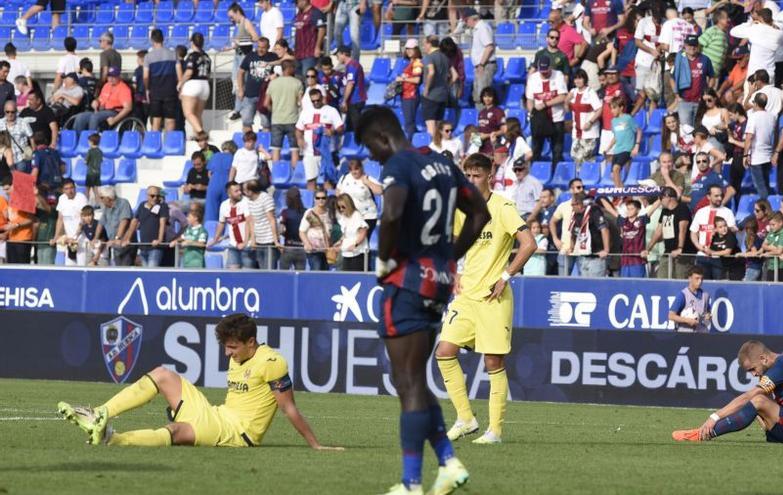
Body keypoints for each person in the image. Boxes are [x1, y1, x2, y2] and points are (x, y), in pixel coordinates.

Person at [355, 106, 490, 495]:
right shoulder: (445, 167)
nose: (373, 156)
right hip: (439, 281)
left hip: (408, 282)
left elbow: (393, 212)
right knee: (410, 378)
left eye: (370, 146)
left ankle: (411, 484)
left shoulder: (399, 164)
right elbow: (479, 214)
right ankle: (447, 461)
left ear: (382, 137)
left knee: (409, 381)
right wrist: (449, 256)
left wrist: (385, 260)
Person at [59, 314, 339, 449]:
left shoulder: (271, 362)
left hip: (239, 434)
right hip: (218, 414)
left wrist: (315, 444)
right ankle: (100, 413)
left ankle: (112, 439)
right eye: (226, 347)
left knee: (177, 429)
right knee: (163, 374)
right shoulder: (238, 355)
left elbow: (288, 408)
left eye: (232, 347)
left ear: (251, 342)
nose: (227, 353)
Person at [435, 152, 536, 446]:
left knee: (493, 362)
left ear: (489, 176)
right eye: (467, 175)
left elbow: (529, 244)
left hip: (493, 297)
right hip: (467, 295)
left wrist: (505, 276)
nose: (470, 180)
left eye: (476, 175)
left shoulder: (503, 207)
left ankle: (495, 431)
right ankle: (466, 419)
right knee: (444, 351)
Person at [673, 340, 783, 444]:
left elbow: (749, 396)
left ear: (763, 358)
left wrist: (714, 417)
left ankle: (703, 433)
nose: (753, 374)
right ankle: (702, 433)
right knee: (758, 401)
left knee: (757, 399)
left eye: (752, 369)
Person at [296, 89, 344, 191]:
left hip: (327, 153)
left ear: (322, 98)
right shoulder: (305, 112)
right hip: (309, 152)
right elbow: (298, 129)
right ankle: (311, 204)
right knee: (311, 180)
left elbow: (341, 128)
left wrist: (333, 131)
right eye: (313, 101)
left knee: (328, 180)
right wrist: (299, 139)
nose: (316, 103)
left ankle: (330, 204)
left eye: (318, 100)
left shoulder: (331, 110)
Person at [644, 187, 694, 279]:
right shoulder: (665, 211)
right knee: (661, 277)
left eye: (660, 198)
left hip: (683, 253)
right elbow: (658, 232)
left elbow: (682, 229)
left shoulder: (682, 208)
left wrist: (680, 248)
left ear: (668, 197)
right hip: (668, 251)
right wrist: (648, 249)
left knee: (680, 278)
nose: (660, 201)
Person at [601, 197, 659, 278]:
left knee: (638, 285)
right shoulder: (623, 221)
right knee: (625, 285)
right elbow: (610, 210)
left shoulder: (641, 220)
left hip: (638, 260)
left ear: (638, 210)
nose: (629, 211)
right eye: (628, 209)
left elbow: (653, 208)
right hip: (625, 261)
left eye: (632, 209)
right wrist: (601, 197)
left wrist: (660, 198)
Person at [526, 56, 567, 166]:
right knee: (536, 149)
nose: (544, 74)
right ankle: (536, 173)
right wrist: (533, 114)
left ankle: (557, 175)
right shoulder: (533, 78)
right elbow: (529, 100)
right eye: (541, 71)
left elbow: (562, 96)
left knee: (557, 150)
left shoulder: (558, 75)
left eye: (546, 71)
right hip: (540, 120)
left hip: (556, 118)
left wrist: (545, 104)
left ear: (550, 67)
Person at [690, 184, 736, 279]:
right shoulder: (701, 212)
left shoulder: (727, 212)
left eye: (721, 195)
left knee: (718, 285)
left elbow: (732, 233)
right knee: (702, 285)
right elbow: (693, 232)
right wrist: (698, 246)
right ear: (708, 196)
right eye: (716, 196)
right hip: (702, 256)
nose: (719, 198)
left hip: (719, 257)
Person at [265, 59, 304, 169]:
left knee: (276, 149)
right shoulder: (297, 83)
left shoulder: (273, 83)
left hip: (277, 120)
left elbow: (266, 103)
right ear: (289, 68)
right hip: (293, 120)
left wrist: (274, 110)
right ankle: (295, 174)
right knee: (294, 150)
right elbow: (301, 103)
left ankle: (277, 174)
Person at [209, 181, 255, 270]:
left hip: (247, 245)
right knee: (232, 272)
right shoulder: (224, 205)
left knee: (247, 273)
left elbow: (250, 222)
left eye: (240, 190)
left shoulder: (246, 202)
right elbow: (221, 223)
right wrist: (215, 239)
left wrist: (245, 243)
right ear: (229, 194)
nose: (240, 192)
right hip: (233, 245)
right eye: (236, 191)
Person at [71, 67, 132, 132]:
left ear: (118, 77)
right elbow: (100, 99)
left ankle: (93, 140)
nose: (110, 79)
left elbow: (128, 108)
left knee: (95, 117)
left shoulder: (124, 89)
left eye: (113, 77)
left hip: (114, 112)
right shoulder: (106, 86)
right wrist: (96, 101)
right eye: (109, 76)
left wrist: (115, 119)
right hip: (101, 111)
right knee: (81, 117)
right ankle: (78, 139)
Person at [238, 38, 278, 133]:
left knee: (266, 123)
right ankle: (249, 144)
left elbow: (283, 65)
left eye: (263, 48)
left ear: (268, 47)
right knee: (246, 122)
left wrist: (274, 76)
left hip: (265, 96)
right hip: (249, 95)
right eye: (259, 47)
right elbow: (240, 72)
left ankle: (265, 144)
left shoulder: (273, 57)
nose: (260, 49)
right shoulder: (250, 56)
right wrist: (240, 89)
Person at [226, 3, 259, 121]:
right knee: (236, 81)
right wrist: (230, 47)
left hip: (244, 56)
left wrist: (244, 41)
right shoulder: (238, 24)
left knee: (240, 82)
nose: (231, 19)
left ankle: (239, 108)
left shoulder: (246, 22)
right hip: (238, 55)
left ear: (237, 12)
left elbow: (255, 37)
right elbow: (238, 42)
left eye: (232, 16)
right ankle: (238, 108)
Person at [143, 30, 180, 133]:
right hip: (170, 90)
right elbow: (179, 74)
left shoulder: (148, 57)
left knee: (156, 120)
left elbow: (146, 77)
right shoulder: (173, 54)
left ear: (152, 40)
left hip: (155, 91)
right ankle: (169, 144)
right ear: (163, 39)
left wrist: (147, 89)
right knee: (170, 119)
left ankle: (155, 144)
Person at [674, 35, 715, 129]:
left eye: (694, 45)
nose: (692, 47)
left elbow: (712, 77)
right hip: (684, 101)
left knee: (699, 129)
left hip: (700, 101)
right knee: (685, 130)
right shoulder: (679, 59)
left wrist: (707, 93)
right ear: (685, 46)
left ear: (698, 46)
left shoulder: (705, 59)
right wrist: (676, 95)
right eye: (689, 45)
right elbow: (672, 78)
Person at [123, 186, 169, 268]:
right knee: (145, 274)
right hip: (143, 247)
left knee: (151, 273)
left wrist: (160, 240)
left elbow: (163, 223)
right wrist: (128, 239)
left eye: (157, 196)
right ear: (147, 196)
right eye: (152, 196)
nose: (155, 198)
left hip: (155, 247)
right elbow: (134, 222)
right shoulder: (141, 205)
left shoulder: (163, 206)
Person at [336, 158, 382, 237]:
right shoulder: (344, 178)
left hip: (367, 216)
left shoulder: (367, 178)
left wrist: (368, 183)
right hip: (349, 216)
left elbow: (380, 191)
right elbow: (338, 193)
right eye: (351, 169)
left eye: (356, 169)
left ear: (361, 168)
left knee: (361, 241)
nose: (354, 172)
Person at [178, 33, 212, 136]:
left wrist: (181, 83)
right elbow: (209, 74)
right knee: (197, 115)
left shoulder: (192, 56)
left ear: (192, 42)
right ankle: (198, 137)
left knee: (188, 113)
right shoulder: (207, 57)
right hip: (205, 84)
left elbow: (189, 73)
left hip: (193, 84)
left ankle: (201, 133)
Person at [243, 179, 281, 270]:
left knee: (270, 270)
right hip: (259, 241)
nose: (243, 192)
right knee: (262, 269)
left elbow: (272, 220)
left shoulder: (266, 198)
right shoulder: (249, 201)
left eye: (244, 190)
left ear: (250, 191)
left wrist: (275, 241)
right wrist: (253, 240)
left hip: (269, 241)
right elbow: (252, 221)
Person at [567, 69, 602, 169]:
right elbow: (567, 109)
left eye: (580, 78)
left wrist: (590, 122)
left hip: (589, 133)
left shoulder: (590, 92)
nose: (578, 81)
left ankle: (588, 180)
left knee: (587, 158)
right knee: (575, 157)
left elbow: (599, 109)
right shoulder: (572, 92)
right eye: (576, 78)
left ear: (585, 79)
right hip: (576, 132)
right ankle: (578, 179)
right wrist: (567, 100)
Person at [743, 93, 774, 199]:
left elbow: (749, 137)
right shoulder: (772, 116)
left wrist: (745, 155)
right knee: (766, 184)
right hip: (768, 155)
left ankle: (767, 209)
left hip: (757, 156)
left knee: (760, 186)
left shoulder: (753, 117)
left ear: (755, 103)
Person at [605, 96, 641, 189]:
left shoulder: (627, 118)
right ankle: (621, 190)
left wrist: (636, 146)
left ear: (621, 108)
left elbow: (639, 131)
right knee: (613, 175)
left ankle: (620, 192)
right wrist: (608, 148)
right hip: (617, 150)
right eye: (611, 108)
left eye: (614, 108)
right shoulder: (613, 121)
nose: (612, 111)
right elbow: (616, 137)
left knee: (616, 168)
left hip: (627, 149)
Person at [464, 8, 496, 110]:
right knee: (478, 95)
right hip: (481, 65)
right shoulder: (478, 29)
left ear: (471, 19)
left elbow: (489, 47)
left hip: (485, 65)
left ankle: (486, 119)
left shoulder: (482, 28)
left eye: (466, 20)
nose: (466, 23)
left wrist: (481, 64)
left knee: (484, 95)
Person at [94, 186, 135, 266]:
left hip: (125, 244)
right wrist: (96, 238)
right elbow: (101, 223)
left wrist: (117, 238)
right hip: (115, 246)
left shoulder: (123, 203)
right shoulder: (106, 208)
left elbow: (124, 221)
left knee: (125, 270)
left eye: (102, 198)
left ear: (109, 198)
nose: (100, 200)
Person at [51, 178, 87, 265]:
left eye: (71, 188)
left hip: (80, 239)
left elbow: (84, 219)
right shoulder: (62, 199)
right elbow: (60, 219)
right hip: (68, 240)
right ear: (63, 190)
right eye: (66, 189)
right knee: (70, 266)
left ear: (75, 188)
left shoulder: (81, 198)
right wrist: (56, 237)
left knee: (82, 265)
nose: (69, 191)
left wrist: (75, 237)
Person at [667, 265, 712, 332]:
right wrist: (687, 320)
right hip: (685, 333)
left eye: (701, 279)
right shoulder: (683, 295)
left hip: (701, 334)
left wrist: (708, 316)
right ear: (690, 278)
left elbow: (707, 313)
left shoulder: (705, 295)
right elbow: (671, 316)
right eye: (697, 278)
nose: (700, 281)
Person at [421, 36, 450, 138]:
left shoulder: (428, 57)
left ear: (429, 44)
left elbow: (431, 72)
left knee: (431, 126)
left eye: (424, 44)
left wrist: (427, 88)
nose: (423, 46)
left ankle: (433, 149)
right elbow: (454, 76)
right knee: (439, 125)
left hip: (431, 95)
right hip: (443, 94)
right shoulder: (445, 57)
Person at [332, 193, 370, 272]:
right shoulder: (344, 217)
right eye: (339, 208)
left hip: (357, 253)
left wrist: (355, 245)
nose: (341, 209)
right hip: (346, 252)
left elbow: (363, 232)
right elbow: (346, 233)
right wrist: (340, 242)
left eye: (343, 207)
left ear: (348, 205)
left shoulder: (356, 215)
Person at [298, 187, 333, 271]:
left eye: (323, 198)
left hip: (326, 250)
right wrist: (307, 244)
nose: (320, 200)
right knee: (316, 271)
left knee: (325, 274)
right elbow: (302, 231)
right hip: (314, 250)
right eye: (318, 198)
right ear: (314, 199)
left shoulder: (330, 213)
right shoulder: (310, 213)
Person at [168, 202, 207, 268]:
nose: (187, 219)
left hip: (197, 263)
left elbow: (202, 244)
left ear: (195, 218)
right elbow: (182, 237)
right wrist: (175, 241)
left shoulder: (202, 230)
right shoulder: (188, 229)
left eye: (189, 217)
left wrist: (189, 242)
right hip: (187, 262)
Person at [398, 39, 423, 140]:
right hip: (406, 95)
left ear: (416, 50)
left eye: (411, 49)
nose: (408, 51)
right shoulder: (409, 62)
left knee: (409, 122)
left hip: (411, 95)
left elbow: (417, 79)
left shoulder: (417, 63)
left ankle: (411, 143)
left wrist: (403, 78)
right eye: (407, 49)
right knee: (409, 122)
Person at [758, 212, 783, 282]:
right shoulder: (771, 232)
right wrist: (773, 247)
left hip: (782, 267)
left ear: (780, 223)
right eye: (770, 225)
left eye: (773, 225)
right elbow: (763, 245)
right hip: (771, 266)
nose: (771, 227)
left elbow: (779, 251)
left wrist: (768, 253)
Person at [293, 0, 327, 77]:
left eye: (296, 2)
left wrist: (317, 47)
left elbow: (322, 29)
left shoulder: (315, 13)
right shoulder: (299, 13)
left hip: (310, 53)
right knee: (298, 78)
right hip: (298, 53)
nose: (296, 5)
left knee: (308, 77)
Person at [337, 46, 367, 130]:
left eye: (338, 55)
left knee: (356, 127)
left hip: (356, 100)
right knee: (350, 126)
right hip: (353, 100)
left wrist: (344, 101)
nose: (337, 58)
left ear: (343, 54)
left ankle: (358, 142)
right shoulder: (350, 66)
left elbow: (350, 84)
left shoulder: (352, 66)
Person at [279, 187, 307, 271]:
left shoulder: (285, 213)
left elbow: (281, 230)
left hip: (289, 247)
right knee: (301, 276)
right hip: (302, 248)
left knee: (283, 276)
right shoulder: (306, 212)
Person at [84, 132, 102, 202]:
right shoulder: (100, 151)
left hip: (90, 173)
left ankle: (85, 203)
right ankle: (98, 203)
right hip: (98, 173)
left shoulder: (90, 151)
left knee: (87, 189)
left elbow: (86, 161)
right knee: (96, 190)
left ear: (91, 142)